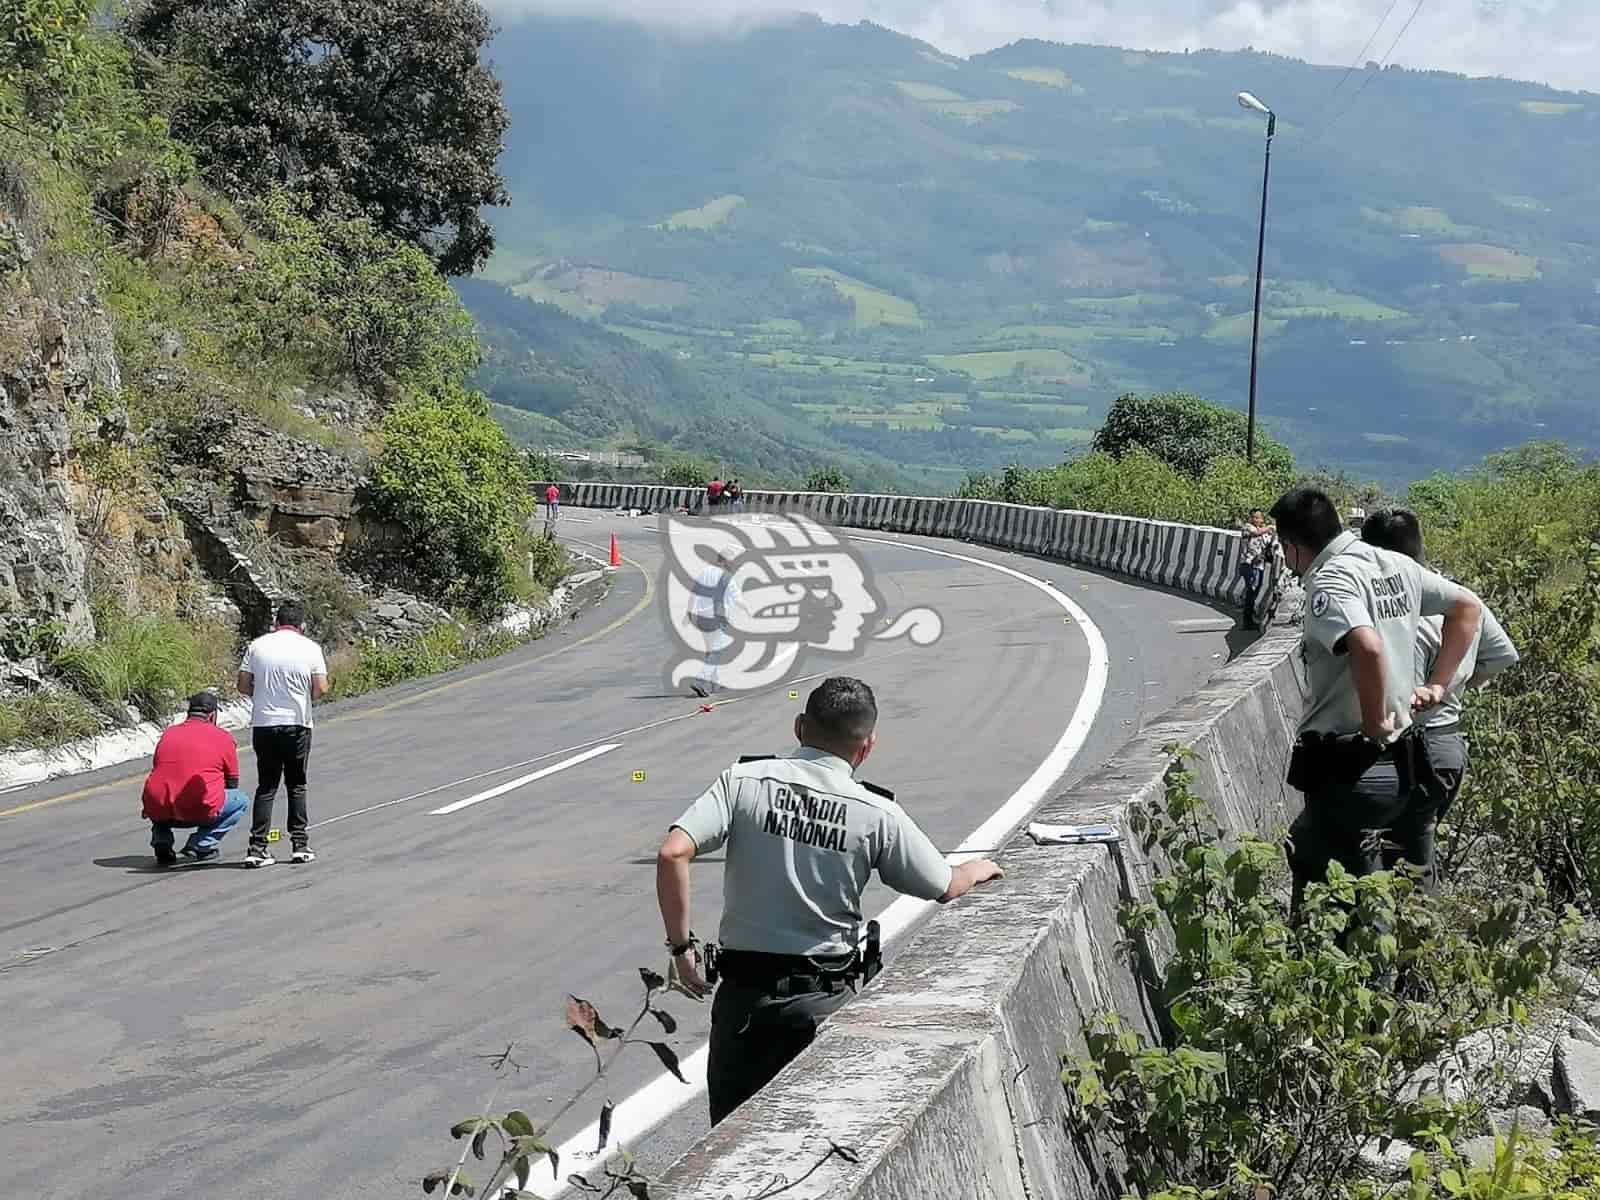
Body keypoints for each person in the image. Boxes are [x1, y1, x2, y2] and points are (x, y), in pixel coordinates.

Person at [656, 676, 1005, 1126]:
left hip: (743, 1001)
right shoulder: (876, 812)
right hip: (821, 1001)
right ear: (866, 747)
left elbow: (673, 852)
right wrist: (980, 868)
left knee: (732, 1140)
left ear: (799, 727)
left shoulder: (743, 781)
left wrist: (683, 951)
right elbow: (946, 885)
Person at [1269, 487, 1482, 914]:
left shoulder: (1331, 581)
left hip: (1354, 765)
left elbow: (1366, 646)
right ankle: (1406, 975)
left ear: (1292, 546)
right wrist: (1439, 685)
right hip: (1405, 765)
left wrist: (1373, 725)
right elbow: (1467, 607)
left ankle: (1346, 975)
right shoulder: (1394, 563)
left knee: (1331, 894)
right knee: (1394, 888)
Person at [1360, 508, 1519, 862]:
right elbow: (1502, 655)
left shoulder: (1392, 608)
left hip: (1409, 747)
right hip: (1448, 744)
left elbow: (1394, 695)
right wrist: (1455, 686)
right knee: (1415, 848)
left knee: (1399, 859)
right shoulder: (1460, 597)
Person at [237, 599, 329, 868]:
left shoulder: (257, 646)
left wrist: (263, 695)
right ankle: (300, 844)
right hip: (297, 723)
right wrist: (305, 698)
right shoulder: (311, 648)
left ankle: (257, 847)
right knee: (296, 785)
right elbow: (321, 687)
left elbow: (243, 685)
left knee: (266, 786)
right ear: (302, 625)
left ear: (276, 623)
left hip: (264, 724)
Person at [141, 692, 249, 865]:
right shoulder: (223, 737)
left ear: (188, 713)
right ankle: (202, 844)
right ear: (213, 715)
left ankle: (162, 840)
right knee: (240, 800)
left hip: (157, 806)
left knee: (162, 793)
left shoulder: (169, 733)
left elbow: (159, 770)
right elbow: (232, 782)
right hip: (196, 810)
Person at [1237, 508, 1276, 631]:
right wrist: (1270, 527)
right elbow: (1255, 533)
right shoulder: (1247, 528)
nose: (1256, 519)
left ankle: (1250, 617)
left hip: (1259, 565)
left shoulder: (1263, 532)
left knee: (1254, 591)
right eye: (1254, 517)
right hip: (1248, 564)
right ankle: (1247, 621)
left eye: (1258, 517)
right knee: (1252, 590)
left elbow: (1268, 542)